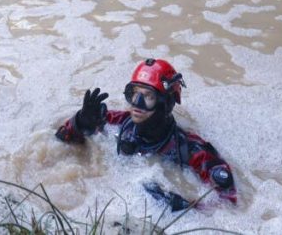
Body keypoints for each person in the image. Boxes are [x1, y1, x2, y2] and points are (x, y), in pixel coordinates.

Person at [55, 58, 237, 207]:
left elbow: (228, 203)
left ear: (166, 103)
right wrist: (80, 122)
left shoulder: (189, 149)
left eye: (148, 97)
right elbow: (60, 141)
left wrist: (178, 204)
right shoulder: (118, 122)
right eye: (134, 94)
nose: (137, 103)